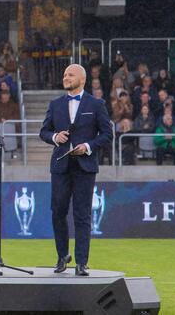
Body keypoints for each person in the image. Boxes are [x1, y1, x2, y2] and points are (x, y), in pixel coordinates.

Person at [39, 64, 112, 277]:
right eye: (64, 75)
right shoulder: (55, 104)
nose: (65, 77)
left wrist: (88, 146)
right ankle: (62, 256)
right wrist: (55, 137)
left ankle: (82, 262)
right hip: (60, 166)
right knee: (58, 212)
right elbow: (43, 131)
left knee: (82, 215)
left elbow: (107, 134)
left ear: (82, 78)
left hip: (85, 167)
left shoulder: (97, 104)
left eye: (70, 74)